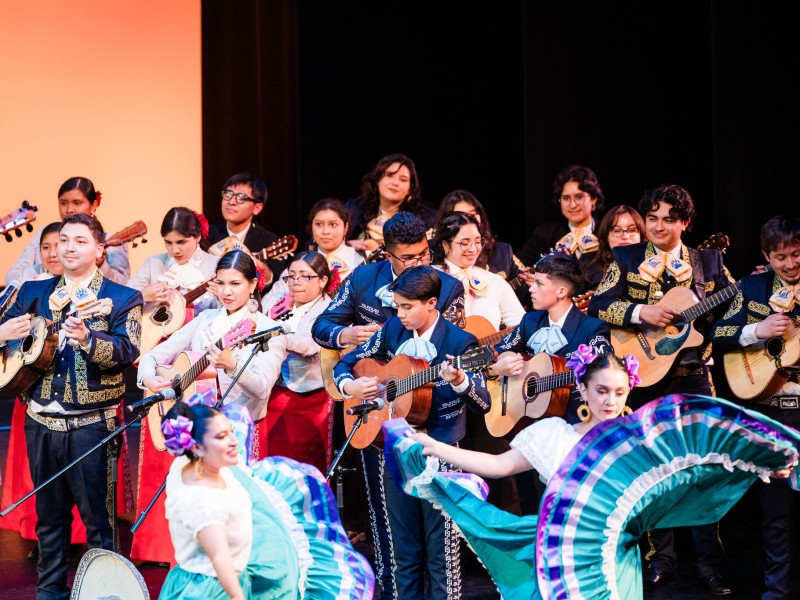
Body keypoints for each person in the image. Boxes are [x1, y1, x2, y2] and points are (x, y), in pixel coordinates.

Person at [381, 349, 800, 600]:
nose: (610, 400)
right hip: (559, 549)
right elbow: (499, 466)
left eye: (619, 392)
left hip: (616, 553)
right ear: (582, 389)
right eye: (601, 390)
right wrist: (435, 447)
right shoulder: (552, 433)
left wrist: (760, 463)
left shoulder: (637, 441)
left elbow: (692, 474)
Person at [587, 183, 734, 595]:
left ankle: (710, 562)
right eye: (651, 218)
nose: (656, 226)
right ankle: (661, 559)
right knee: (650, 467)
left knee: (703, 466)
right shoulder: (627, 256)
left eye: (667, 219)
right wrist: (641, 311)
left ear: (685, 222)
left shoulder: (707, 262)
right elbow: (599, 305)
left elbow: (735, 305)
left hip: (692, 374)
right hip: (643, 375)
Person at [311, 212, 465, 599]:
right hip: (381, 415)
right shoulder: (364, 278)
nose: (417, 264)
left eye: (423, 254)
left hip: (432, 418)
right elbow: (321, 326)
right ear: (387, 254)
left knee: (438, 532)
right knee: (388, 525)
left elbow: (454, 343)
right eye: (407, 258)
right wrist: (347, 335)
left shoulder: (447, 285)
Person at [0, 213, 142, 600]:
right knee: (50, 520)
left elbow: (127, 351)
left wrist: (88, 339)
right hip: (40, 422)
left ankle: (105, 593)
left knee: (100, 523)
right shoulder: (32, 291)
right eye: (63, 240)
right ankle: (50, 593)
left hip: (92, 428)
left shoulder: (123, 297)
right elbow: (7, 337)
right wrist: (4, 334)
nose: (68, 247)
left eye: (79, 241)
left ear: (99, 250)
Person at [333, 266, 491, 600]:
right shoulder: (391, 329)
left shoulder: (461, 342)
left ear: (432, 302)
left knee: (441, 554)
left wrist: (460, 381)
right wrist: (352, 385)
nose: (400, 314)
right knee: (402, 551)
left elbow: (483, 403)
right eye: (398, 306)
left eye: (408, 307)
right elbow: (345, 364)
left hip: (440, 450)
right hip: (395, 449)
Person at [134, 250, 284, 565]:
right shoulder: (206, 319)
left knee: (235, 522)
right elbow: (152, 356)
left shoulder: (268, 329)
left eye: (236, 283)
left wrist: (232, 364)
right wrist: (150, 378)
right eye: (221, 283)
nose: (228, 292)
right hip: (200, 436)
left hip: (240, 436)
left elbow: (262, 389)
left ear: (254, 283)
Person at [158, 398, 374, 599]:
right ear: (196, 447)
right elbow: (220, 560)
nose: (234, 441)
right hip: (214, 589)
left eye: (231, 432)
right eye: (221, 437)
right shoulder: (202, 502)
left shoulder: (207, 467)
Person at [712, 215, 800, 599]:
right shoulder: (751, 286)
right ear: (767, 256)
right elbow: (718, 333)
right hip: (772, 410)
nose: (791, 263)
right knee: (776, 512)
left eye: (797, 254)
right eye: (781, 257)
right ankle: (776, 592)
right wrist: (758, 331)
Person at [489, 252, 611, 514]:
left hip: (570, 428)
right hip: (526, 424)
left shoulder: (592, 328)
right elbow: (499, 353)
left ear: (561, 291)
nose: (530, 289)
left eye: (539, 283)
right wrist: (499, 365)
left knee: (565, 504)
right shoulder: (529, 321)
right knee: (529, 504)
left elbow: (601, 370)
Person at [257, 251, 334, 471]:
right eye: (291, 276)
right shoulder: (283, 302)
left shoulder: (329, 311)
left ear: (322, 281)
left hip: (309, 396)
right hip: (273, 391)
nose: (296, 282)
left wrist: (275, 336)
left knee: (304, 461)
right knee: (271, 459)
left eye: (305, 276)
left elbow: (310, 345)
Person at [6, 177, 131, 285]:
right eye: (64, 203)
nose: (69, 209)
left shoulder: (113, 242)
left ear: (93, 205)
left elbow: (124, 285)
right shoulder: (45, 233)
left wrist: (102, 265)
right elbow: (14, 275)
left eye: (77, 203)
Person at [431, 212, 525, 331]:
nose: (473, 249)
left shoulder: (494, 281)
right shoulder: (430, 278)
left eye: (477, 242)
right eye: (464, 243)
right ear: (445, 245)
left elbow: (521, 326)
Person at [262, 197, 365, 305]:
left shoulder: (361, 258)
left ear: (346, 227)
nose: (325, 231)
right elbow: (268, 302)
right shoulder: (300, 262)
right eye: (319, 224)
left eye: (333, 224)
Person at [433, 189, 530, 288]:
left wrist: (532, 284)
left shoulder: (502, 252)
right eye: (464, 243)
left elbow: (523, 289)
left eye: (472, 214)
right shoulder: (433, 262)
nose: (468, 220)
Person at [128, 207, 218, 312]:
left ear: (198, 236)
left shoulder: (216, 265)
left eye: (181, 242)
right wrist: (141, 295)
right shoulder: (153, 263)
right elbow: (123, 297)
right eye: (168, 242)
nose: (175, 250)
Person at [206, 171, 285, 290]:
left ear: (257, 208)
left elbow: (276, 287)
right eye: (228, 194)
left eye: (241, 197)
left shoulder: (269, 241)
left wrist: (263, 270)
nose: (231, 202)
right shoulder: (208, 234)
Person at [517, 165, 605, 268]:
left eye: (579, 197)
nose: (573, 205)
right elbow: (520, 268)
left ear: (594, 199)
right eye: (566, 198)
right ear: (559, 200)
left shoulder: (607, 232)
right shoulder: (544, 235)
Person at [346, 153, 436, 252]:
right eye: (389, 175)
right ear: (377, 180)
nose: (395, 183)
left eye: (403, 179)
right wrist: (346, 245)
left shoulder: (427, 219)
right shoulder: (355, 208)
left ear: (410, 188)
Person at [583, 204, 646, 290]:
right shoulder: (589, 267)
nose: (625, 236)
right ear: (606, 235)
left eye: (632, 230)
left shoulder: (655, 264)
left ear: (641, 235)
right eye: (617, 231)